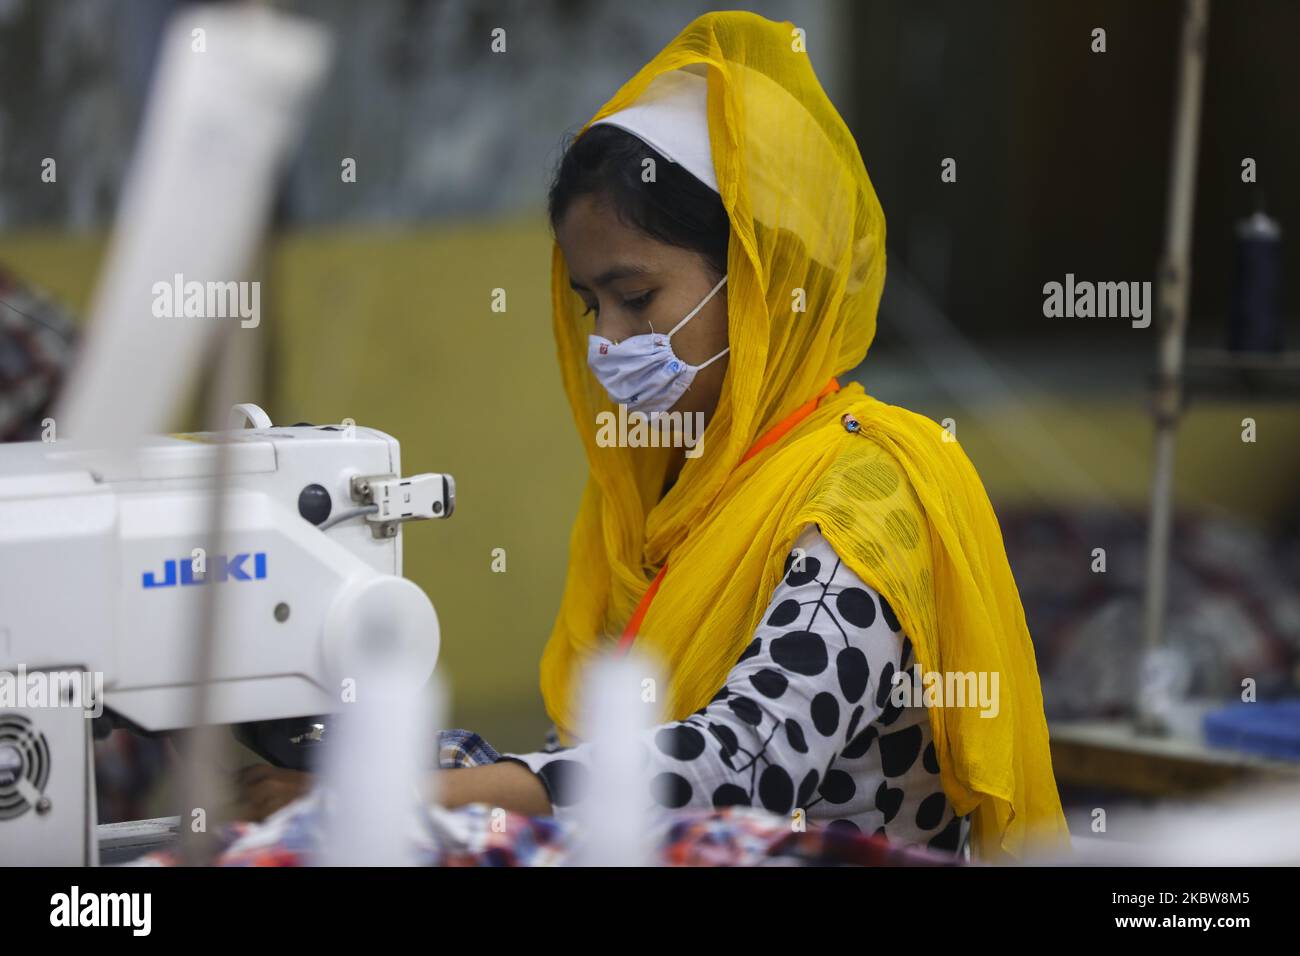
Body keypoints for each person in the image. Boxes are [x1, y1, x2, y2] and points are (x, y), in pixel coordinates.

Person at [239, 10, 1071, 862]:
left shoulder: (864, 492)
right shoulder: (676, 489)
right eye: (590, 304)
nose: (607, 339)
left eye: (636, 298)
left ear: (756, 276)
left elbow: (739, 762)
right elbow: (598, 761)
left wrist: (409, 793)